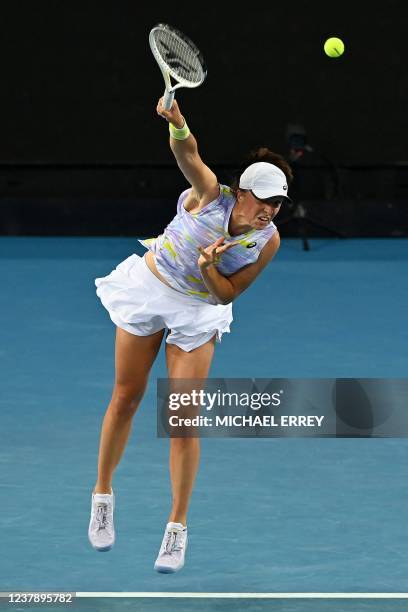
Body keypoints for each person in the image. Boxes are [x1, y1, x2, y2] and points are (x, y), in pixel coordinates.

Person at [88, 97, 293, 573]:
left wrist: (208, 268)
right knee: (126, 397)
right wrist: (178, 123)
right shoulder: (208, 195)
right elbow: (190, 156)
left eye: (278, 203)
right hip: (151, 288)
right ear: (240, 193)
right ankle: (102, 493)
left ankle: (176, 529)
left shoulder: (269, 241)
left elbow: (225, 296)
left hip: (199, 309)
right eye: (263, 200)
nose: (270, 211)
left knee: (182, 419)